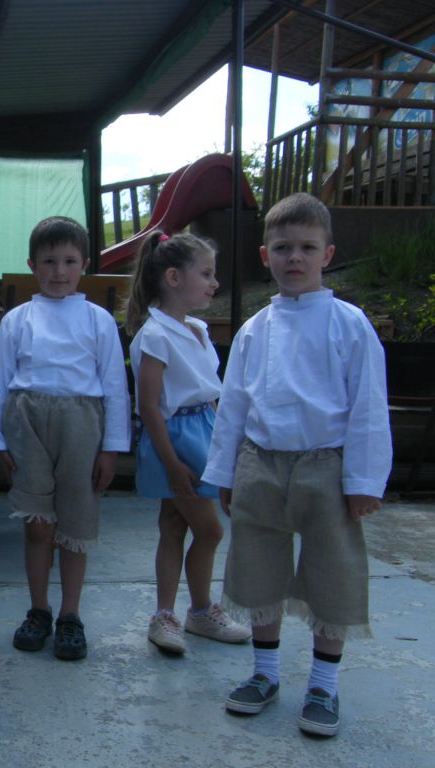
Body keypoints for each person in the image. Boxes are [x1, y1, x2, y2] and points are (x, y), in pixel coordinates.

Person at [202, 193, 392, 737]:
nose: (295, 258)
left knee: (332, 572)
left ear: (327, 254)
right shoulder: (254, 329)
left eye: (307, 247)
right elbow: (233, 405)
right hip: (260, 464)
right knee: (257, 567)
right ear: (266, 255)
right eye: (283, 247)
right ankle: (264, 674)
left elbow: (368, 406)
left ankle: (323, 686)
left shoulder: (349, 324)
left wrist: (363, 481)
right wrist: (225, 474)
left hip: (326, 468)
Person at [0, 216, 129, 661]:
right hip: (27, 423)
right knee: (38, 524)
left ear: (84, 264)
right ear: (33, 265)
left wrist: (112, 448)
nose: (59, 271)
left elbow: (115, 386)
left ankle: (70, 615)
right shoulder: (17, 319)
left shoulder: (98, 320)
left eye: (69, 261)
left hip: (82, 425)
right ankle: (39, 610)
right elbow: (0, 382)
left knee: (74, 526)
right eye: (49, 261)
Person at [125, 230, 250, 655]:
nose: (215, 283)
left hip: (203, 430)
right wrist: (173, 463)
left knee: (174, 525)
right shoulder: (155, 335)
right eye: (207, 274)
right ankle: (197, 610)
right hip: (176, 438)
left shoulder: (195, 328)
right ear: (174, 278)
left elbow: (209, 391)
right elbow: (150, 407)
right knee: (210, 530)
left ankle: (168, 615)